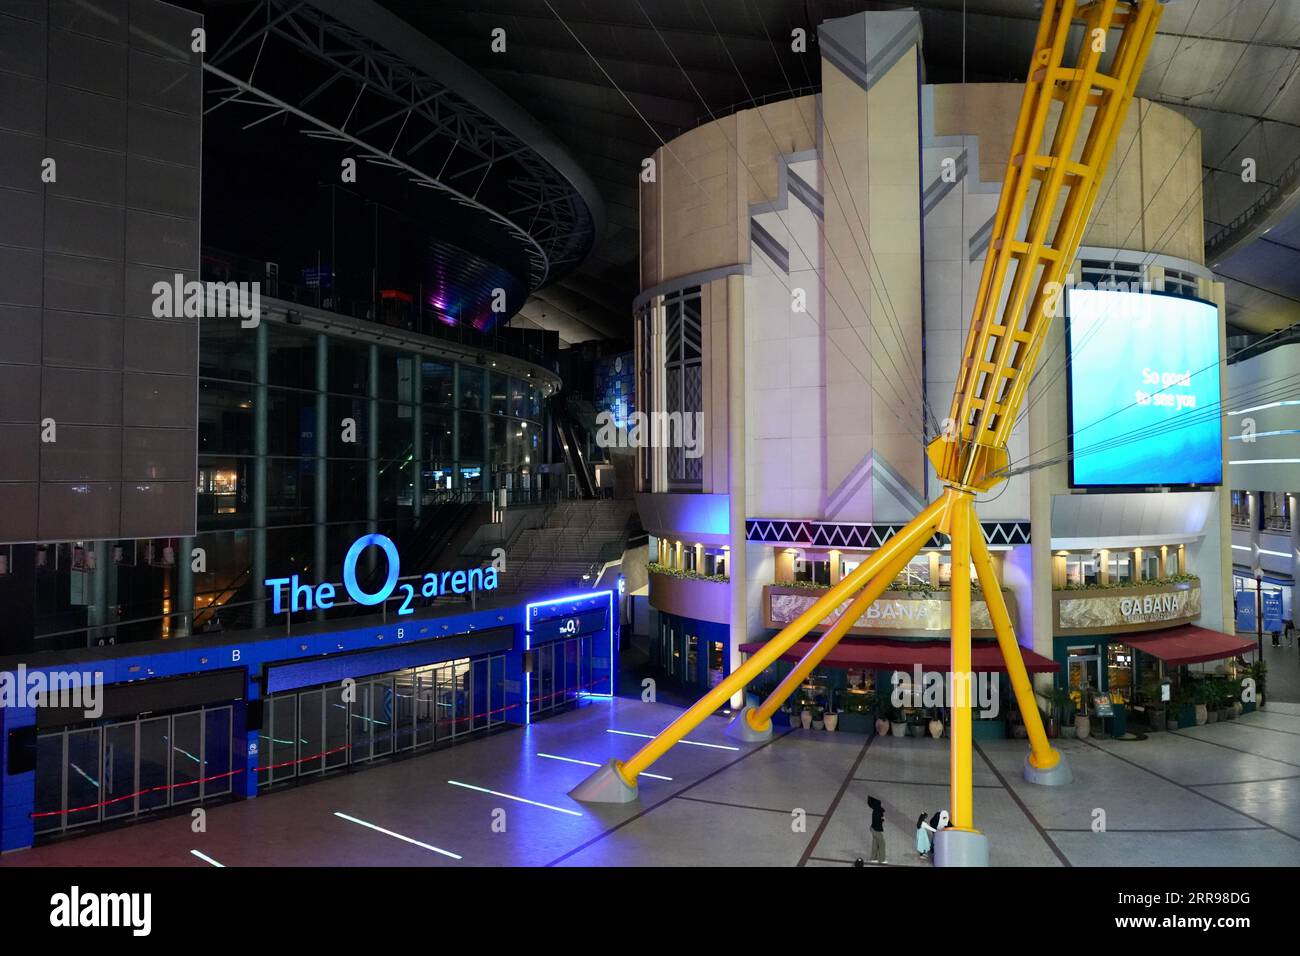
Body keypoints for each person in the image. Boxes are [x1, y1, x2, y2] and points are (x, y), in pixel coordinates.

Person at [867, 795, 887, 864]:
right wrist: (882, 819)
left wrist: (881, 819)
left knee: (875, 843)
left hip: (873, 829)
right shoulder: (877, 813)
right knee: (882, 843)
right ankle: (881, 859)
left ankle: (873, 858)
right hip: (876, 830)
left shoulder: (875, 811)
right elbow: (878, 823)